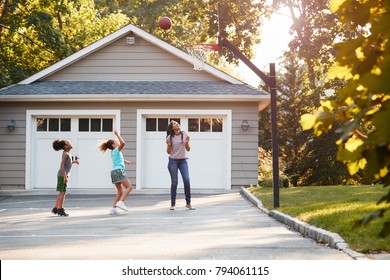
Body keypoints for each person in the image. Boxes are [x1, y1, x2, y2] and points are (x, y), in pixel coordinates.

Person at [98, 129, 132, 214]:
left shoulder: (113, 152)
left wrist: (125, 161)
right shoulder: (116, 150)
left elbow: (118, 160)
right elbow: (123, 143)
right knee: (129, 187)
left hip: (113, 172)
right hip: (118, 171)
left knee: (120, 191)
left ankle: (113, 209)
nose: (118, 142)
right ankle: (121, 202)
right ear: (113, 145)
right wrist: (117, 135)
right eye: (116, 141)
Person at [166, 120, 195, 210]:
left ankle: (188, 203)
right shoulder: (169, 137)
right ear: (172, 128)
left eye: (177, 123)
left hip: (183, 161)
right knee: (174, 182)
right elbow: (168, 152)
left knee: (186, 180)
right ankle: (173, 204)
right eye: (174, 123)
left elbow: (188, 149)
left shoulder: (184, 134)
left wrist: (187, 142)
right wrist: (169, 145)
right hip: (173, 161)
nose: (177, 124)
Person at [52, 139, 79, 217]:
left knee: (61, 192)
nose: (71, 143)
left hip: (63, 175)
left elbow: (67, 164)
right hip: (62, 175)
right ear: (66, 146)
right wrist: (65, 176)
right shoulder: (65, 154)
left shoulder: (68, 153)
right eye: (69, 142)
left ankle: (55, 208)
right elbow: (62, 165)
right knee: (62, 192)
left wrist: (73, 162)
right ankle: (60, 209)